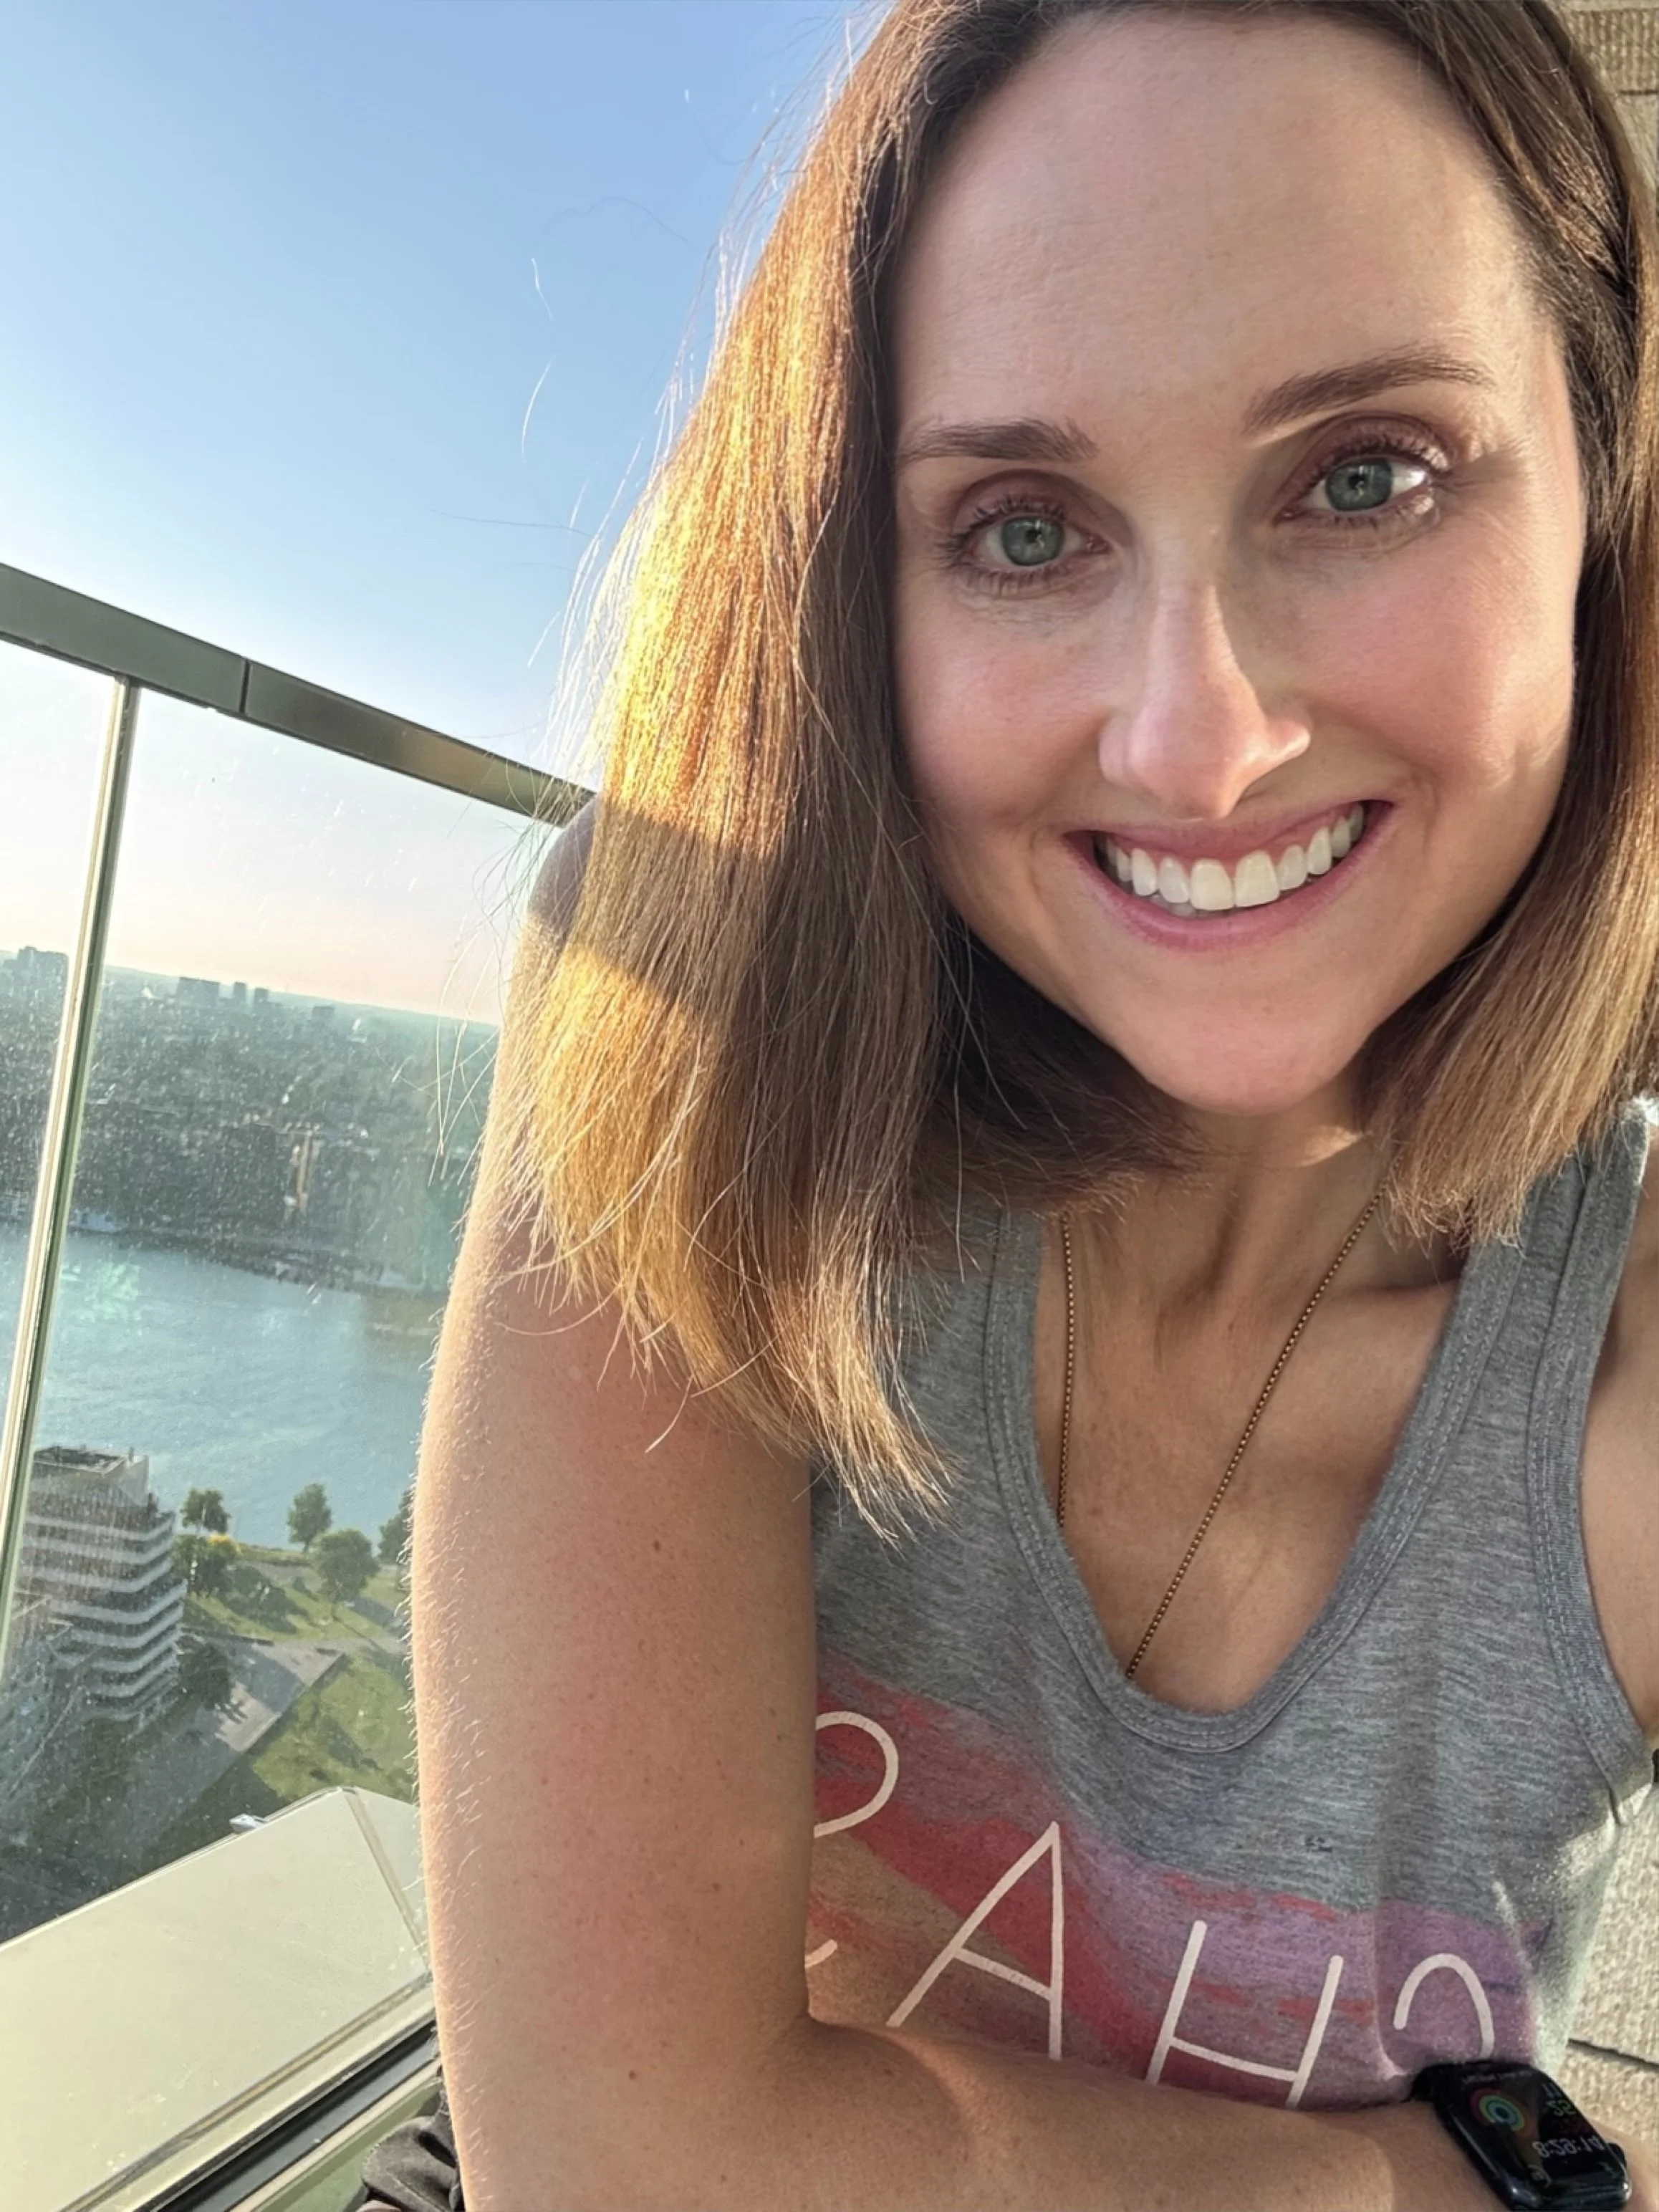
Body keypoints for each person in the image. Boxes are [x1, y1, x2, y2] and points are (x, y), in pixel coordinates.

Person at [362, 1, 1659, 2206]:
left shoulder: (1605, 1368)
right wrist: (1437, 2184)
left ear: (1600, 489)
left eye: (1364, 473)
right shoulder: (712, 1032)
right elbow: (617, 2163)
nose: (1196, 739)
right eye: (1024, 526)